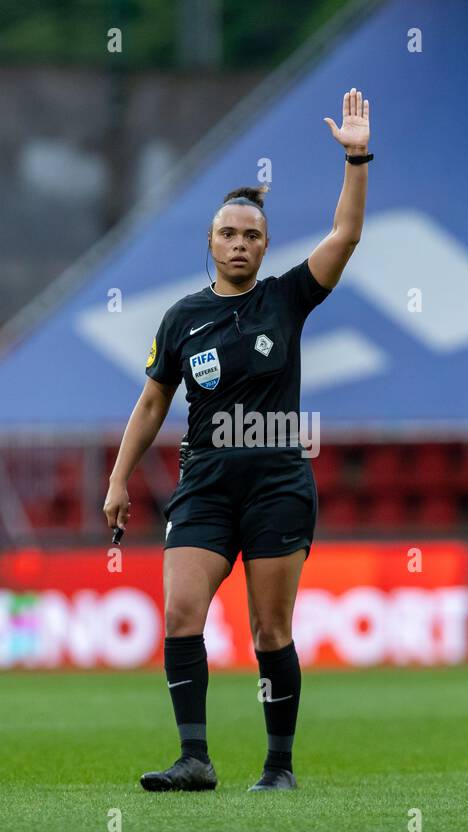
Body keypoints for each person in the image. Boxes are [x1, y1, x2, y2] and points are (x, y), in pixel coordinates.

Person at [103, 88, 372, 791]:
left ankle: (278, 766)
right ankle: (195, 759)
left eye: (252, 235)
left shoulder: (286, 297)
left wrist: (356, 158)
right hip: (207, 483)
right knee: (181, 610)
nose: (240, 243)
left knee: (267, 633)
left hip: (279, 482)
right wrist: (117, 479)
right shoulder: (183, 317)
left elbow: (344, 236)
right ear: (211, 242)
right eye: (229, 233)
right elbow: (153, 399)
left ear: (265, 244)